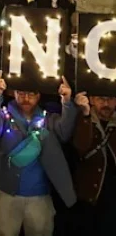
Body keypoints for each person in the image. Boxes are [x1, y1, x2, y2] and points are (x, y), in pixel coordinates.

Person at [0, 72, 78, 236]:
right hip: (6, 194)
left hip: (40, 197)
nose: (26, 98)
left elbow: (65, 132)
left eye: (31, 94)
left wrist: (67, 102)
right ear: (14, 93)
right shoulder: (5, 115)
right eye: (21, 93)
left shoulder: (48, 119)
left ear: (39, 96)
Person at [70, 92, 116, 235]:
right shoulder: (83, 119)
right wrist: (85, 115)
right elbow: (81, 147)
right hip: (90, 198)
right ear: (91, 100)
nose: (106, 103)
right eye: (101, 98)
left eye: (110, 98)